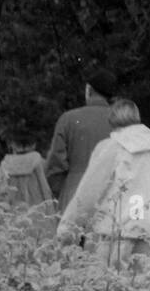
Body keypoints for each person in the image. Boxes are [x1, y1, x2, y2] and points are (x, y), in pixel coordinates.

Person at [56, 98, 150, 267]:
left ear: (112, 121)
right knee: (145, 286)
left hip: (115, 235)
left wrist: (67, 228)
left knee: (111, 286)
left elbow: (89, 192)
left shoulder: (110, 147)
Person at [44, 67, 117, 211]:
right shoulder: (120, 122)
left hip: (74, 196)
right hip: (112, 198)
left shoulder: (68, 119)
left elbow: (55, 166)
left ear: (88, 90)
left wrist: (64, 191)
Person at [0, 129, 57, 236]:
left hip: (13, 212)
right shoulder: (38, 161)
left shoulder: (6, 163)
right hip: (37, 211)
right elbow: (46, 188)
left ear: (12, 145)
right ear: (33, 144)